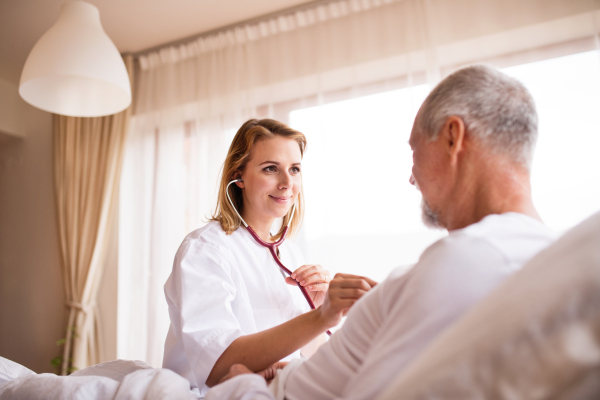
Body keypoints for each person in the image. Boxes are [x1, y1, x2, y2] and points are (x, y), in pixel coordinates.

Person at [204, 65, 558, 400]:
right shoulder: (547, 257)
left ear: (453, 137)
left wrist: (243, 388)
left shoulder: (462, 263)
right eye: (271, 169)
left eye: (415, 150)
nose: (411, 177)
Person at [162, 119, 376, 398]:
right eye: (271, 169)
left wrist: (317, 309)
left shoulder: (289, 252)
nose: (287, 183)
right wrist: (321, 318)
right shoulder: (205, 250)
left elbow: (306, 356)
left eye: (295, 169)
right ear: (238, 176)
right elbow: (217, 367)